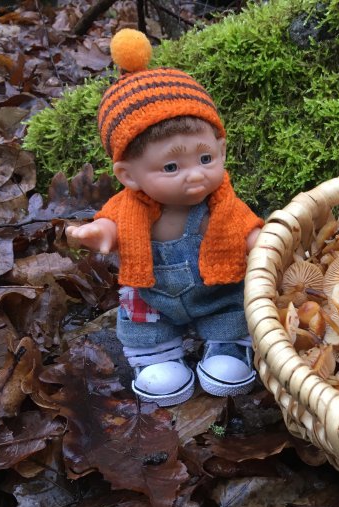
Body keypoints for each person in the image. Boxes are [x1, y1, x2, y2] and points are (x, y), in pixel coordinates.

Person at [66, 29, 264, 406]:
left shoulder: (222, 203)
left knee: (233, 307)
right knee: (142, 321)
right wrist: (98, 233)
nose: (194, 175)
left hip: (215, 291)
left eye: (206, 159)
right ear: (128, 175)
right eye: (171, 166)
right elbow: (111, 222)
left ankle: (227, 348)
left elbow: (246, 228)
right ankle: (159, 359)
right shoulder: (128, 205)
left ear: (221, 149)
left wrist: (261, 241)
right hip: (154, 297)